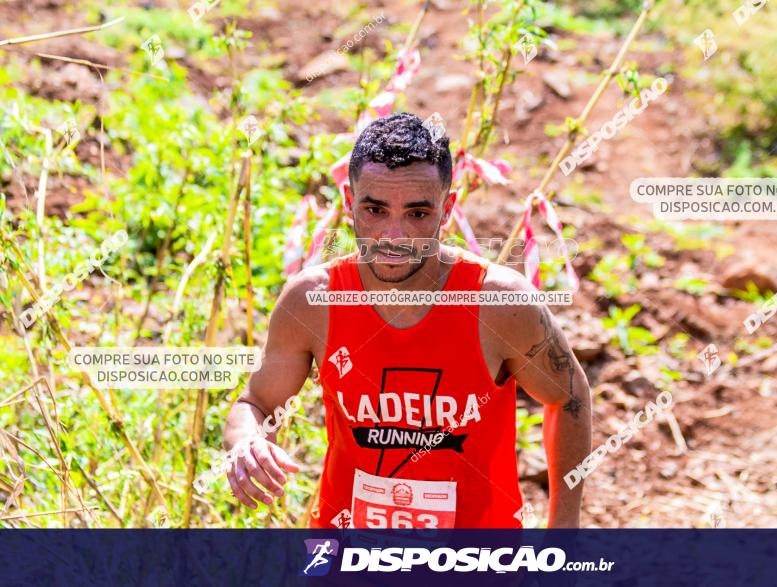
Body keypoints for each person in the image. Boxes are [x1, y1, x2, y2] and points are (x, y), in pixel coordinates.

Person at [222, 112, 591, 528]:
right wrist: (245, 443)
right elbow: (255, 402)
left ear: (447, 208)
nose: (393, 236)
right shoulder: (313, 302)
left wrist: (564, 530)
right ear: (349, 201)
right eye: (375, 209)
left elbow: (569, 396)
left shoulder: (498, 302)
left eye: (416, 214)